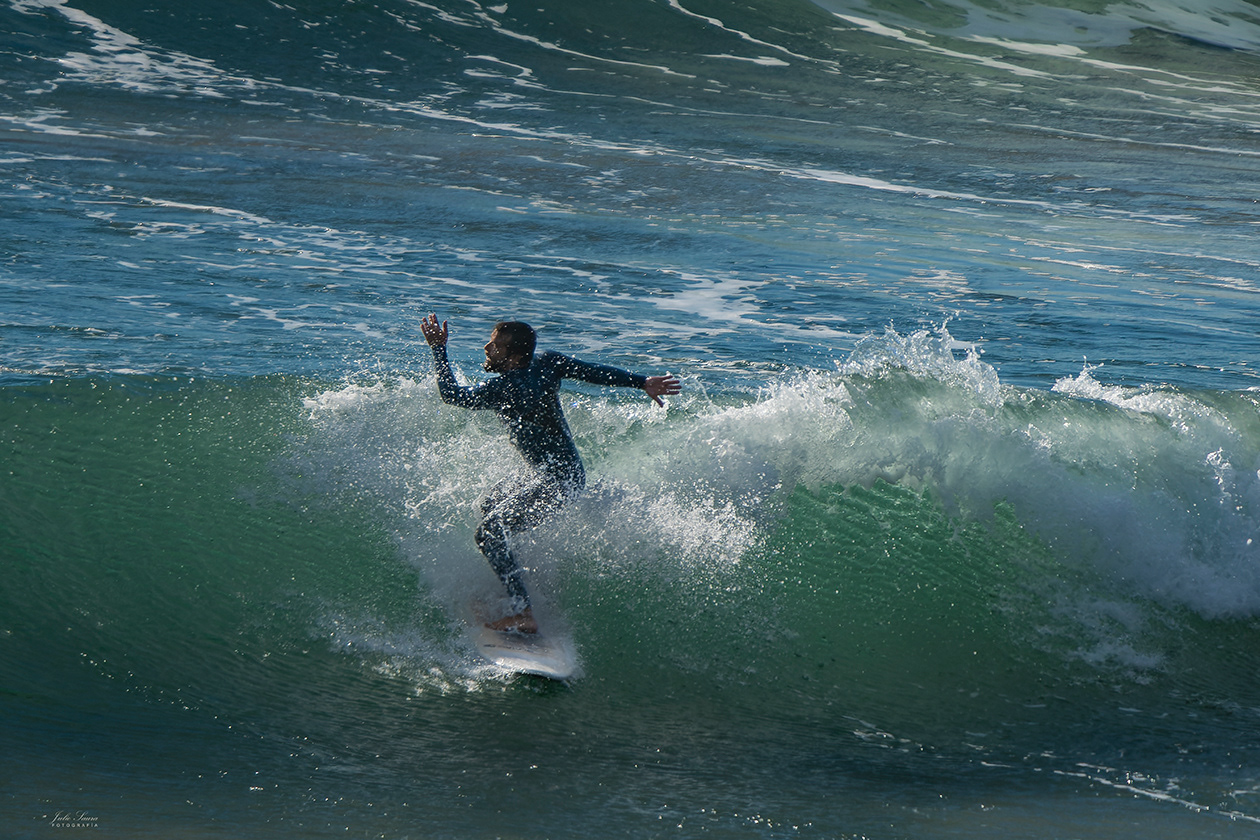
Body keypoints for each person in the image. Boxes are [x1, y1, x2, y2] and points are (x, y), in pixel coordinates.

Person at [420, 313, 681, 634]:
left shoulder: (502, 388)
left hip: (555, 481)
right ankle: (519, 582)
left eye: (496, 345)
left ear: (514, 356)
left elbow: (453, 396)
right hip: (563, 475)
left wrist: (438, 349)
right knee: (491, 505)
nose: (487, 347)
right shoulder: (548, 365)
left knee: (488, 533)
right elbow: (594, 372)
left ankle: (523, 610)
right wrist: (641, 381)